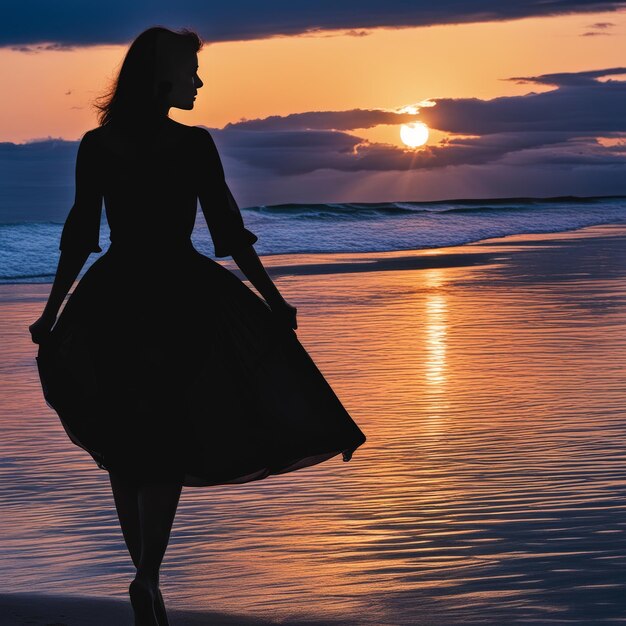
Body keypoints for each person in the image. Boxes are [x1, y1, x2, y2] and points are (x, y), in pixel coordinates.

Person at [28, 25, 366, 626]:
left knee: (125, 440)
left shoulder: (96, 144)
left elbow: (80, 237)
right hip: (182, 295)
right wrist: (273, 299)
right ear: (161, 75)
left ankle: (144, 579)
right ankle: (148, 577)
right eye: (190, 71)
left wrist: (50, 313)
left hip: (112, 295)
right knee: (167, 434)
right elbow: (229, 235)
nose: (198, 81)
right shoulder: (193, 145)